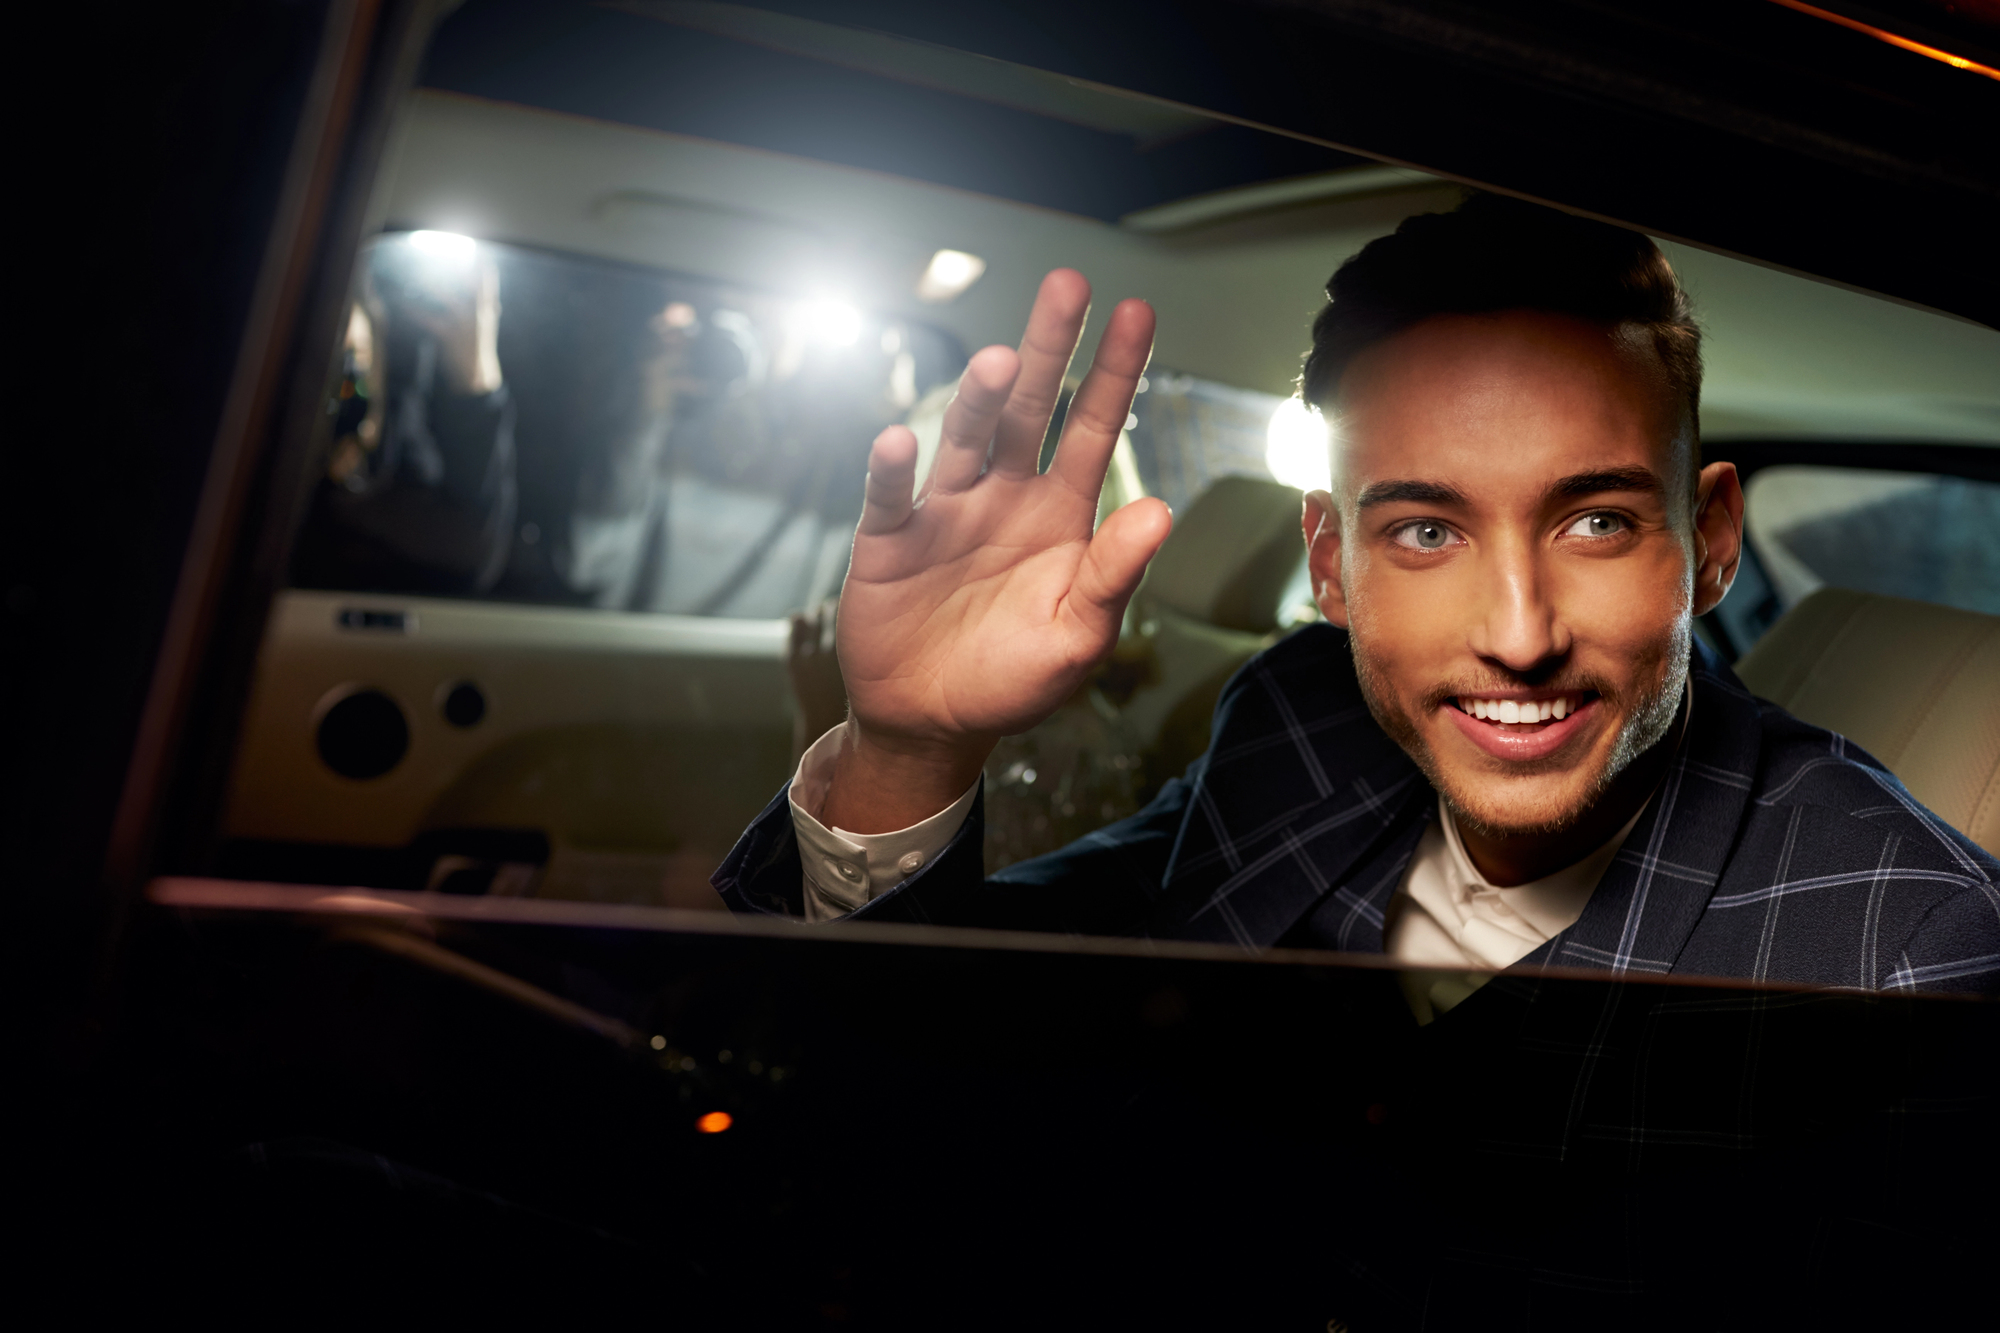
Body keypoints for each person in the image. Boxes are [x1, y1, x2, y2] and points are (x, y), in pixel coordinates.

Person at [713, 195, 2000, 1006]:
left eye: (1594, 521)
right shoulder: (1294, 713)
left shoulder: (1909, 949)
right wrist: (909, 748)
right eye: (1426, 529)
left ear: (1708, 542)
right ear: (1329, 565)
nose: (1516, 633)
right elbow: (966, 1031)